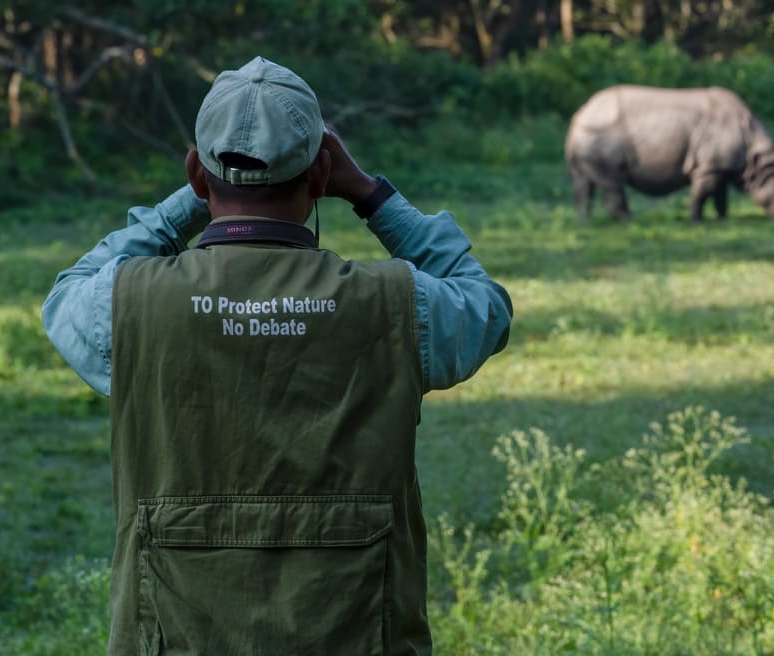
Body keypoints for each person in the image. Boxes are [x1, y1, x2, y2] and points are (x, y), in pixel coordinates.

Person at [41, 56, 513, 655]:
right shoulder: (396, 302)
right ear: (321, 174)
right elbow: (486, 306)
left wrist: (190, 201)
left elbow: (65, 294)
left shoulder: (126, 303)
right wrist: (370, 194)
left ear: (195, 170)